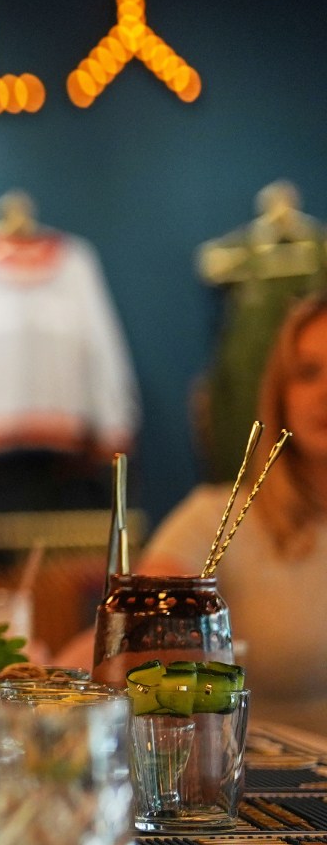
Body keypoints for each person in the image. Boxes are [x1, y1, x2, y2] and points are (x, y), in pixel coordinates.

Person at [129, 293, 327, 702]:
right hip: (260, 763)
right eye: (307, 372)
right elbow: (131, 640)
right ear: (281, 395)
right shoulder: (214, 519)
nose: (325, 392)